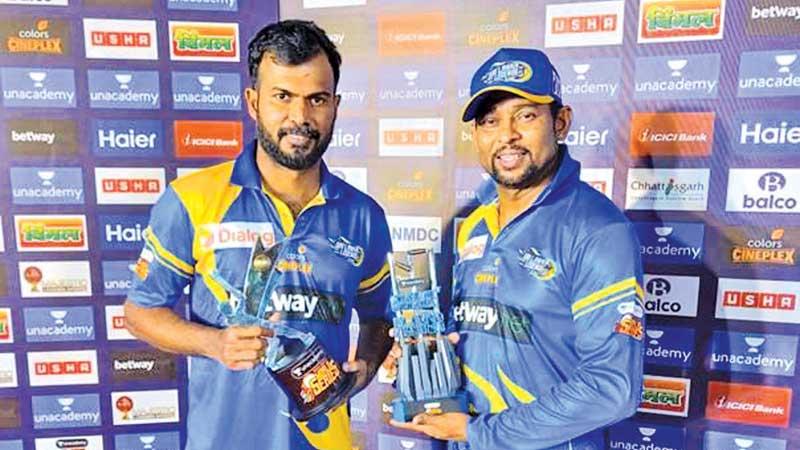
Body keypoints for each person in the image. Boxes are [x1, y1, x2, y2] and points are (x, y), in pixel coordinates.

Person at [124, 20, 393, 450]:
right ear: (253, 102)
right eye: (282, 97)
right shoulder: (191, 200)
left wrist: (366, 364)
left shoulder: (364, 215)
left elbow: (381, 315)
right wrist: (215, 343)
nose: (299, 118)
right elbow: (140, 313)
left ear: (336, 106)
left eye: (317, 100)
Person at [391, 47, 645, 449]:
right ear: (476, 135)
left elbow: (612, 387)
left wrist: (480, 433)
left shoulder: (597, 229)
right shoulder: (471, 225)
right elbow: (483, 336)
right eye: (490, 121)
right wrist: (422, 357)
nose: (506, 134)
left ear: (561, 122)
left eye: (525, 116)